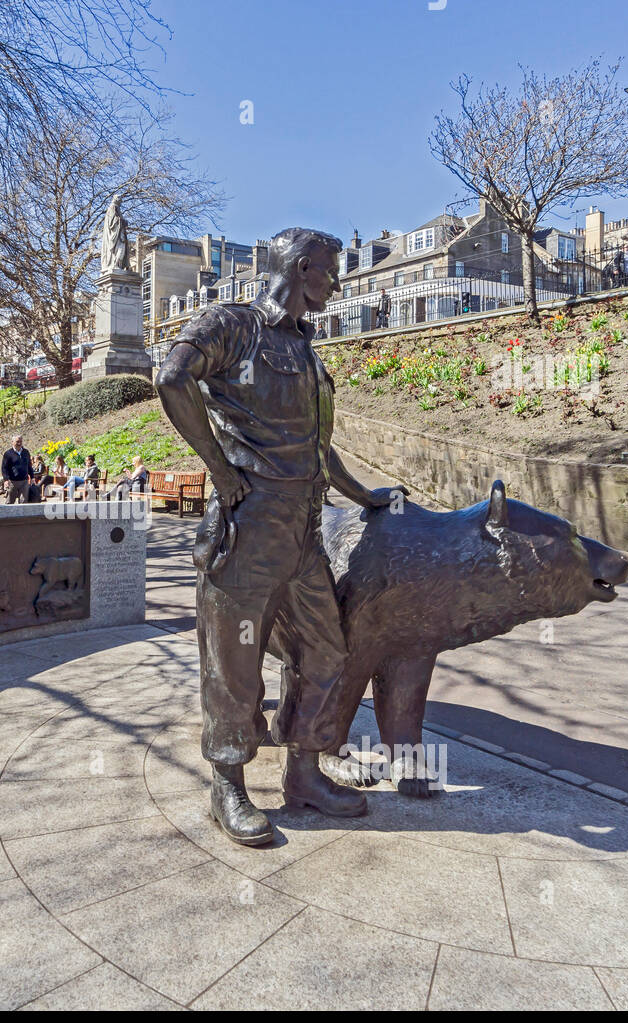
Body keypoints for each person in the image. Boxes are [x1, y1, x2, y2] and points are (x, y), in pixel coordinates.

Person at [155, 226, 408, 848]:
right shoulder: (234, 325)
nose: (337, 283)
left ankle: (304, 774)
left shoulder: (307, 348)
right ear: (299, 268)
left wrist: (365, 496)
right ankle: (228, 786)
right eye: (329, 271)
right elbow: (171, 379)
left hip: (304, 532)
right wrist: (219, 467)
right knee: (234, 661)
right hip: (249, 527)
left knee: (327, 651)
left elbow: (319, 450)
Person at [0, 434, 32, 503]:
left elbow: (29, 465)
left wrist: (32, 477)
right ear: (12, 442)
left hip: (24, 481)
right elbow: (4, 468)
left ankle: (22, 514)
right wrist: (6, 480)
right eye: (17, 442)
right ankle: (8, 513)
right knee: (10, 501)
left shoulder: (26, 452)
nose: (19, 443)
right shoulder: (8, 454)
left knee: (23, 501)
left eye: (20, 441)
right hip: (13, 482)